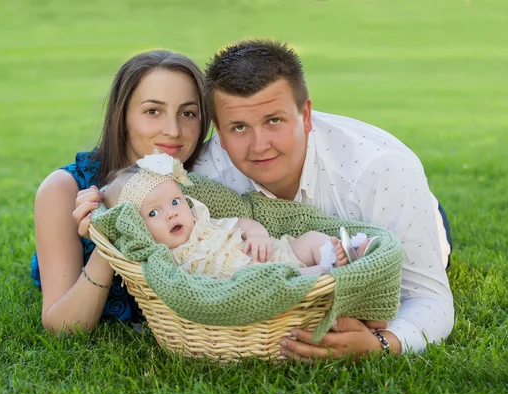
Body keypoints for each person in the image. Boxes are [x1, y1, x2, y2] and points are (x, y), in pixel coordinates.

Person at [192, 39, 454, 360]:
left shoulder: (381, 170)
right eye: (239, 127)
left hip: (395, 209)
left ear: (305, 115)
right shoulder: (205, 174)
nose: (259, 145)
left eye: (274, 120)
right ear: (218, 130)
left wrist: (380, 345)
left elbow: (430, 299)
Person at [32, 50, 210, 334]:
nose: (174, 130)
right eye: (153, 111)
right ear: (122, 116)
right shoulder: (66, 189)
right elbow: (63, 328)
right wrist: (108, 240)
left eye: (188, 113)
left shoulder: (201, 180)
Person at [100, 153, 378, 278]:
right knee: (277, 280)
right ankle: (326, 271)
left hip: (272, 253)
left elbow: (241, 222)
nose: (172, 214)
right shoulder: (167, 261)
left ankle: (341, 252)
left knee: (312, 238)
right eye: (153, 213)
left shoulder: (203, 222)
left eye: (175, 202)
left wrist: (256, 234)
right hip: (256, 281)